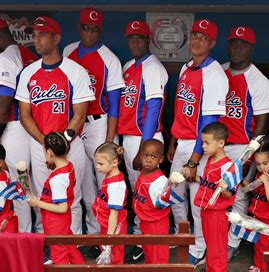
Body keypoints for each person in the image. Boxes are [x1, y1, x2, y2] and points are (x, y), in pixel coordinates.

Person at [15, 16, 94, 235]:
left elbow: (79, 115)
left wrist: (60, 145)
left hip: (70, 144)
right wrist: (46, 144)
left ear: (57, 37)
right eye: (34, 35)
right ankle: (47, 243)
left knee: (72, 197)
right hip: (40, 145)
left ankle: (74, 242)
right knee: (43, 196)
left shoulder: (76, 71)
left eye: (42, 34)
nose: (36, 39)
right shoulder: (28, 73)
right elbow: (24, 114)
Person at [166, 19, 228, 265]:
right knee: (174, 191)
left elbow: (209, 121)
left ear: (212, 43)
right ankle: (184, 234)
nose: (196, 40)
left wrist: (194, 159)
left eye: (202, 37)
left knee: (197, 200)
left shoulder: (214, 74)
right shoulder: (186, 67)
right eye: (193, 35)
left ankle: (199, 245)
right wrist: (173, 141)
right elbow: (181, 110)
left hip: (200, 146)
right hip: (182, 141)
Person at [63, 7, 125, 244]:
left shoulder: (108, 58)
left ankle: (105, 238)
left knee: (106, 182)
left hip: (99, 123)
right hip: (75, 124)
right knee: (82, 181)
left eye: (94, 29)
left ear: (100, 30)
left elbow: (115, 105)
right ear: (79, 28)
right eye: (85, 28)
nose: (89, 33)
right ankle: (88, 235)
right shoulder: (69, 51)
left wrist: (109, 140)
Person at [218, 26, 269, 260]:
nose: (237, 48)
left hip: (242, 145)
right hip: (218, 144)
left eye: (242, 44)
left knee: (239, 195)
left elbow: (262, 122)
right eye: (233, 43)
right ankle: (216, 238)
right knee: (215, 191)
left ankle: (232, 242)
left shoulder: (258, 80)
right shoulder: (219, 72)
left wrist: (249, 154)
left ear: (251, 47)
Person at [0, 17, 38, 233]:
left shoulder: (3, 59)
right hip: (34, 128)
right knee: (33, 184)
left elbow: (4, 101)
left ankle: (24, 236)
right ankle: (40, 235)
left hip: (15, 129)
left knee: (19, 184)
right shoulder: (29, 56)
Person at [119, 20, 169, 262]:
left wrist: (143, 148)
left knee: (150, 192)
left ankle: (152, 240)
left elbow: (153, 107)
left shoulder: (152, 67)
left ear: (148, 39)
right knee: (137, 190)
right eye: (131, 37)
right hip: (130, 136)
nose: (135, 42)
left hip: (145, 139)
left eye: (140, 37)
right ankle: (141, 238)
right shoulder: (129, 65)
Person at [28, 130, 85, 264]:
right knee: (70, 247)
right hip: (63, 220)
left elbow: (61, 208)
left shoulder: (58, 178)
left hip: (55, 221)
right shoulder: (68, 166)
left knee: (59, 252)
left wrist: (37, 203)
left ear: (49, 153)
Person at [193, 122, 239, 272]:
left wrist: (224, 187)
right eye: (202, 142)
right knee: (211, 246)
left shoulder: (227, 166)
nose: (203, 146)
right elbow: (207, 184)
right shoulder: (209, 159)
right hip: (206, 209)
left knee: (217, 250)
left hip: (217, 214)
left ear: (221, 143)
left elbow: (228, 195)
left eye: (207, 143)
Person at [133, 139, 183, 264]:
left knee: (158, 258)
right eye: (146, 155)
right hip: (145, 222)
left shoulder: (159, 180)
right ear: (141, 156)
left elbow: (163, 202)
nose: (149, 159)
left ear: (160, 160)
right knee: (149, 254)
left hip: (156, 224)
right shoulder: (143, 172)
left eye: (153, 156)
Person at [243, 143, 269, 272]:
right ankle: (258, 266)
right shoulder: (260, 175)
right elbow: (247, 189)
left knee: (267, 248)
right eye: (258, 164)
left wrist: (265, 182)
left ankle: (265, 269)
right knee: (257, 245)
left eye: (265, 163)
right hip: (256, 218)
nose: (261, 167)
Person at [92, 142, 128, 264]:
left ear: (114, 163)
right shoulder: (109, 176)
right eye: (97, 163)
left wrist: (109, 237)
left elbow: (114, 214)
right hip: (106, 224)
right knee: (107, 260)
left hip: (113, 229)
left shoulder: (116, 185)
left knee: (114, 260)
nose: (97, 167)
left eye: (101, 164)